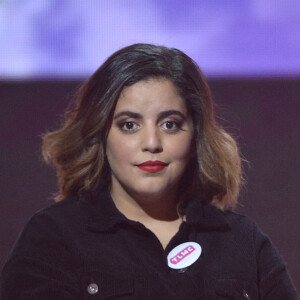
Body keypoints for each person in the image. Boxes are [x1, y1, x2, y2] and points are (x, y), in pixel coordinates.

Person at [0, 44, 298, 300]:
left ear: (196, 135)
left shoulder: (242, 241)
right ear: (100, 135)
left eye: (170, 124)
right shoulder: (55, 237)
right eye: (129, 125)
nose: (152, 143)